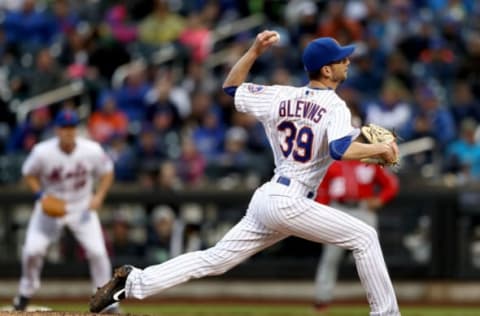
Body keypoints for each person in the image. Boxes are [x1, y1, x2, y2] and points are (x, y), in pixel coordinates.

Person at [90, 31, 401, 316]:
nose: (347, 61)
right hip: (291, 199)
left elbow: (231, 87)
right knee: (365, 236)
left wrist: (253, 51)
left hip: (269, 198)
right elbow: (340, 150)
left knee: (214, 259)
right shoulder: (335, 106)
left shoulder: (279, 95)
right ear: (326, 70)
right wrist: (380, 150)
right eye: (340, 59)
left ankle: (131, 282)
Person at [13, 109, 117, 312]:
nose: (68, 132)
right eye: (64, 128)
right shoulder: (42, 151)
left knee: (98, 253)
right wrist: (40, 196)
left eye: (71, 128)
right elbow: (28, 173)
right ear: (56, 130)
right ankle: (25, 293)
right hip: (51, 209)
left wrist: (99, 196)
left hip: (82, 208)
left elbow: (107, 172)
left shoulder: (91, 149)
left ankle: (108, 301)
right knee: (32, 251)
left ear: (76, 130)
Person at [314, 160, 399, 311]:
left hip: (363, 209)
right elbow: (323, 191)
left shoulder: (369, 162)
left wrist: (381, 199)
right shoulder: (333, 163)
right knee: (330, 257)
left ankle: (382, 303)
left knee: (373, 259)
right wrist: (320, 215)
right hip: (338, 209)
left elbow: (391, 184)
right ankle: (322, 300)